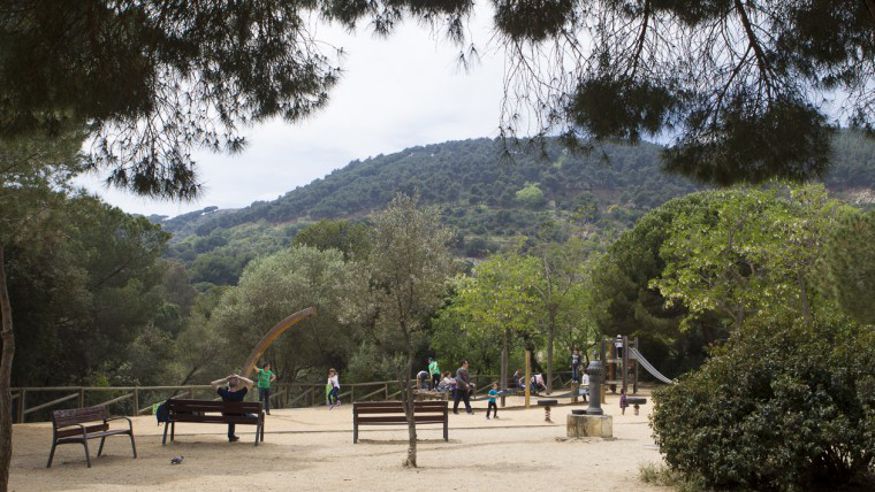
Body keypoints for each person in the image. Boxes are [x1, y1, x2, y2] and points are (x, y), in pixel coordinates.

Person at [210, 373, 254, 442]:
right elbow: (251, 383)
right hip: (239, 416)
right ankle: (231, 436)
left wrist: (225, 379)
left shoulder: (223, 393)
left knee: (232, 415)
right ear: (237, 384)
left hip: (227, 415)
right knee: (255, 417)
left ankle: (231, 436)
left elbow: (213, 383)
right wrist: (239, 377)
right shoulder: (241, 393)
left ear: (228, 384)